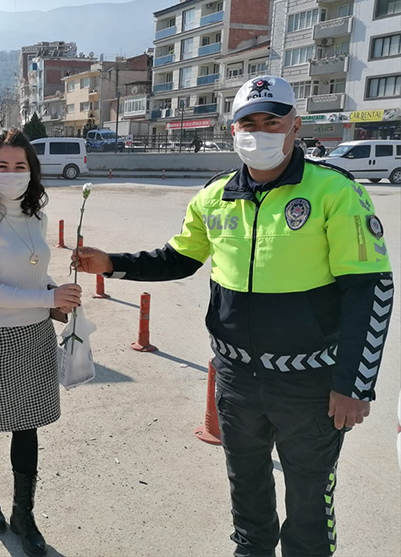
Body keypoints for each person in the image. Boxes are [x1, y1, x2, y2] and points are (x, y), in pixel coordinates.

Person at [73, 75, 394, 557]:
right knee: (246, 493)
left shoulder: (334, 191)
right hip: (235, 379)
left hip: (310, 385)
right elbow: (178, 258)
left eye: (272, 121)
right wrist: (113, 264)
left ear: (295, 126)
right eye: (248, 122)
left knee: (308, 507)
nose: (259, 131)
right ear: (233, 128)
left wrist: (354, 384)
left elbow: (371, 291)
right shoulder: (214, 194)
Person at [0, 128, 82, 557]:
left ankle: (23, 513)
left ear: (32, 171)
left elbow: (34, 272)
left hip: (36, 336)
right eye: (2, 166)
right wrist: (46, 296)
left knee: (26, 424)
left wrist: (54, 298)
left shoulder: (36, 216)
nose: (11, 174)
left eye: (20, 166)